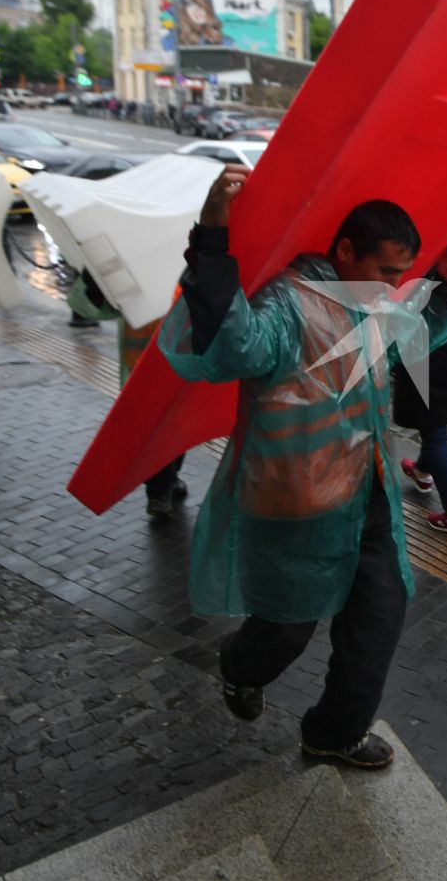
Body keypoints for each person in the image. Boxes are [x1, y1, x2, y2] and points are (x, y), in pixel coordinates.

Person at [159, 165, 424, 771]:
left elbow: (420, 374)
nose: (390, 287)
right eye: (384, 272)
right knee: (285, 628)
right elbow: (235, 347)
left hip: (370, 494)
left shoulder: (373, 304)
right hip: (297, 502)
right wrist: (211, 239)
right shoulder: (289, 301)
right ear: (346, 249)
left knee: (378, 622)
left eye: (399, 277)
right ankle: (239, 666)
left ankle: (333, 733)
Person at [66, 271, 187, 516]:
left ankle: (168, 481)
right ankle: (159, 490)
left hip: (164, 360)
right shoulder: (134, 259)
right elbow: (88, 304)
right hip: (158, 363)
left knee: (173, 426)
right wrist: (94, 282)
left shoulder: (136, 260)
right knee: (155, 430)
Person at [396, 234, 447, 535]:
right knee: (435, 422)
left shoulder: (429, 257)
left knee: (434, 431)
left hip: (430, 347)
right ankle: (422, 471)